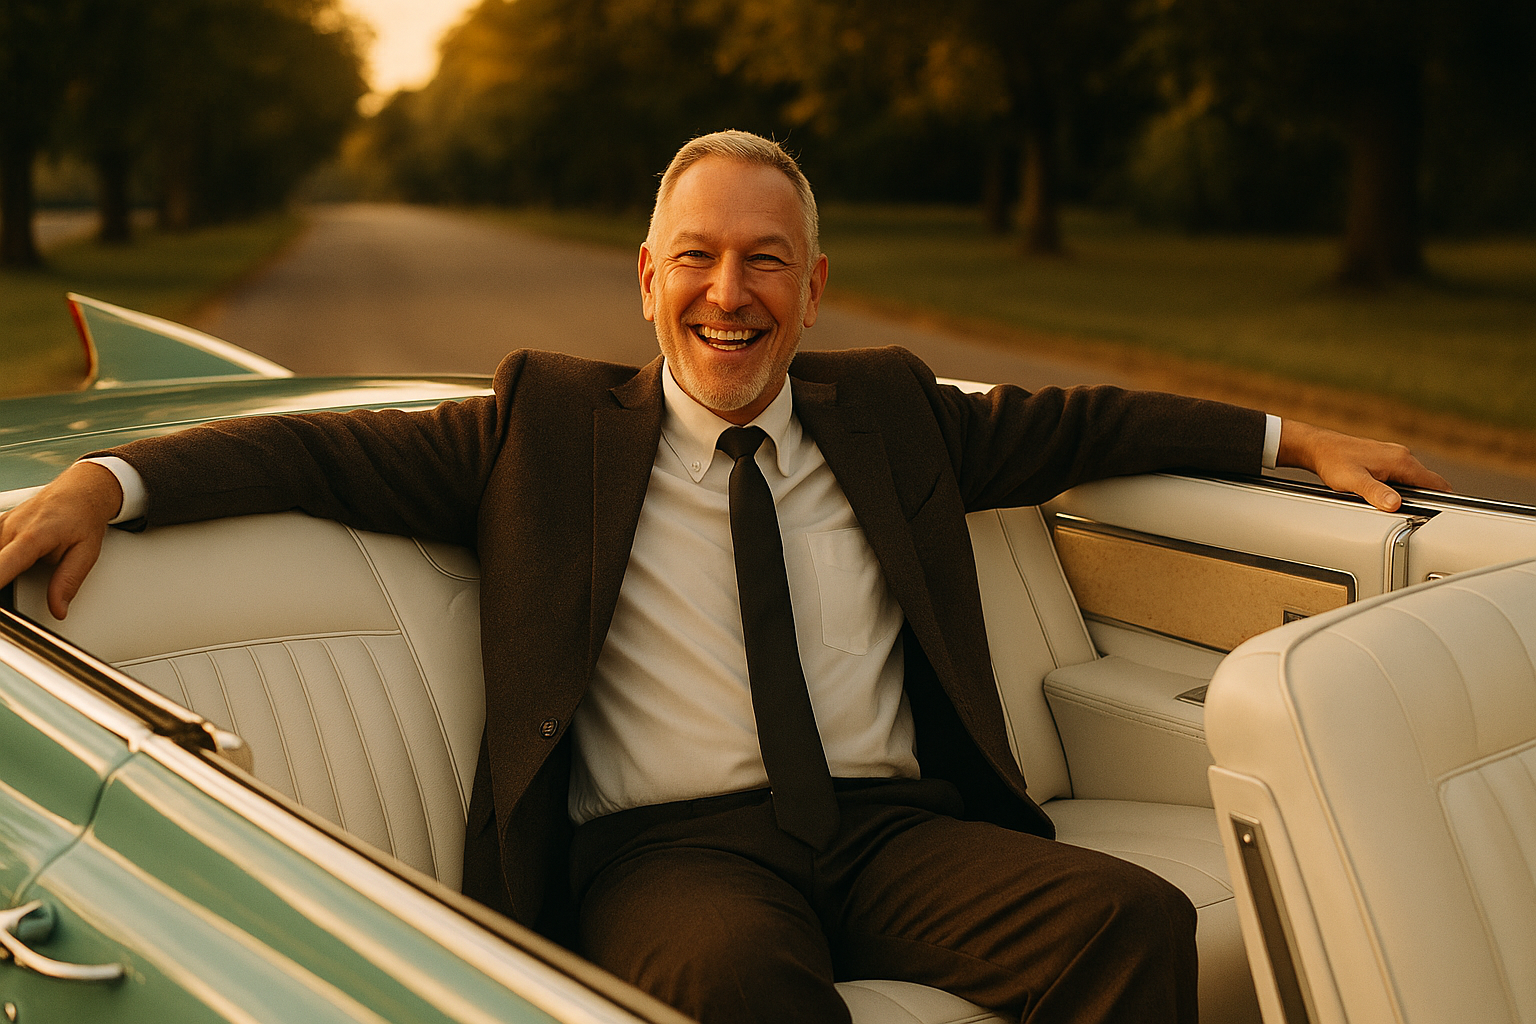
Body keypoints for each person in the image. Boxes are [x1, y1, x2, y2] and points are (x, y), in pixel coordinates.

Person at [0, 131, 1447, 1023]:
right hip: (667, 856)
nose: (729, 294)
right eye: (697, 258)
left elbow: (1085, 425)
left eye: (766, 261)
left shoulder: (890, 411)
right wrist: (101, 482)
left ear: (812, 289)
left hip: (892, 831)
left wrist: (1289, 438)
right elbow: (309, 455)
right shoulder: (544, 427)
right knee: (745, 990)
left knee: (1128, 923)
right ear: (648, 280)